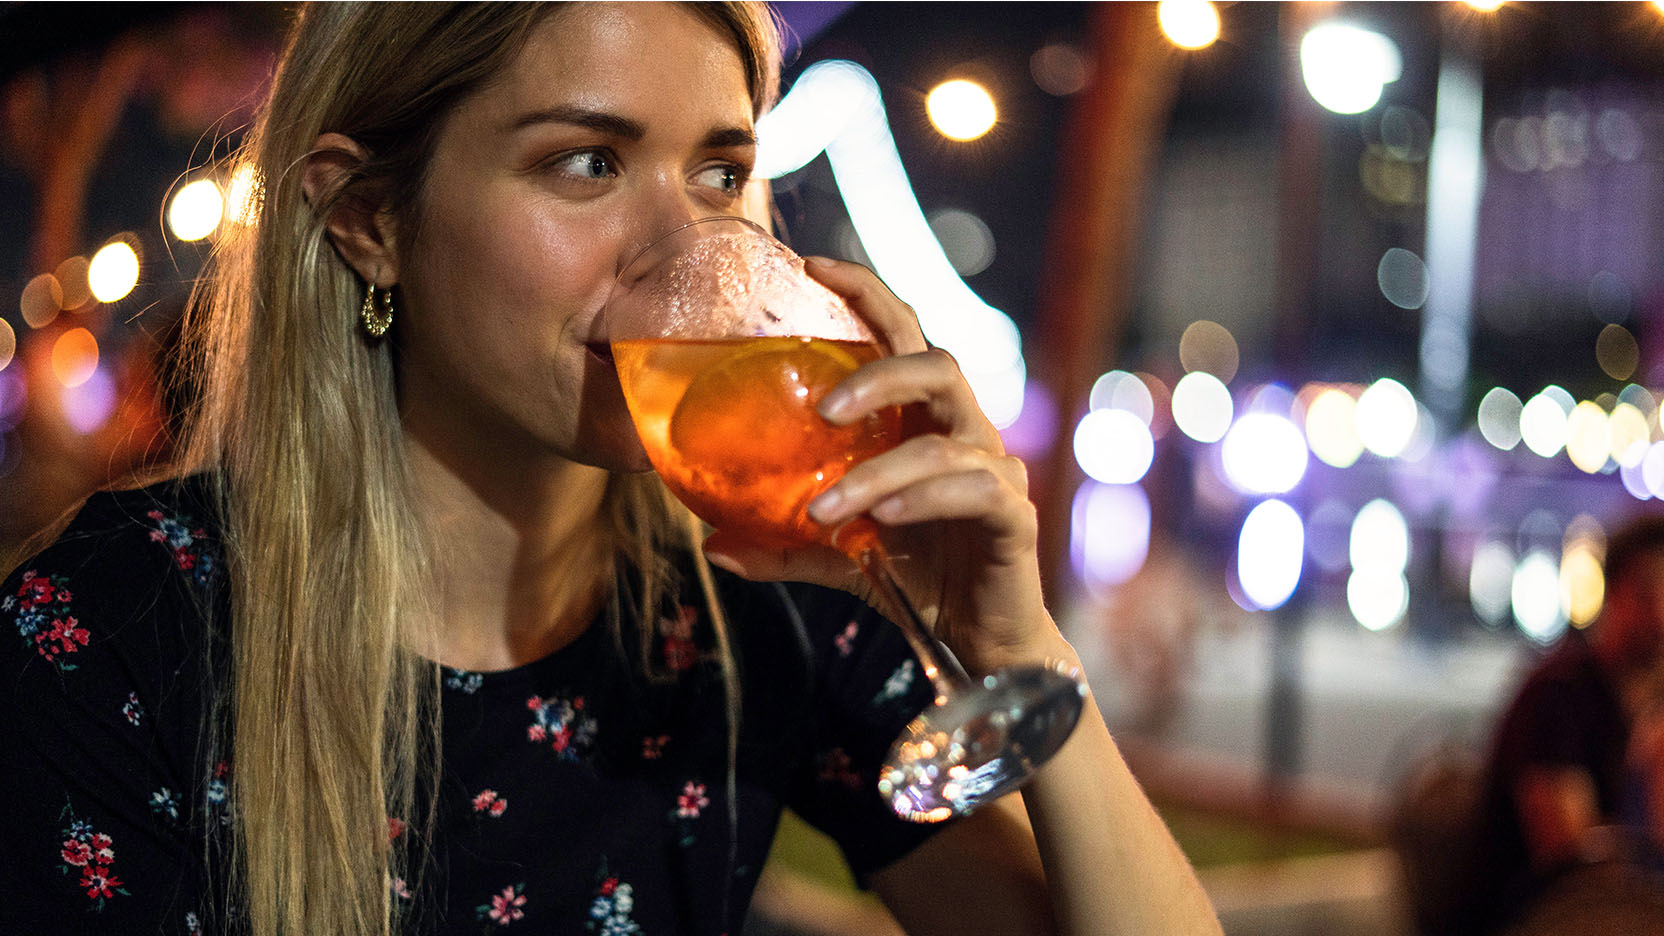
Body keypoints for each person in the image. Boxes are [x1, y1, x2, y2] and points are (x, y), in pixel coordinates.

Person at [0, 4, 1220, 935]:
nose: (683, 250)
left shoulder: (758, 601)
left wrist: (1015, 655)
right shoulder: (108, 634)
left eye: (720, 173)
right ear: (366, 220)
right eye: (586, 163)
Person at [1463, 515, 1664, 934]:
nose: (1660, 611)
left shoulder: (1644, 704)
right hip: (1535, 917)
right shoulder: (1561, 693)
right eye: (1649, 592)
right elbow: (1568, 858)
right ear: (1617, 593)